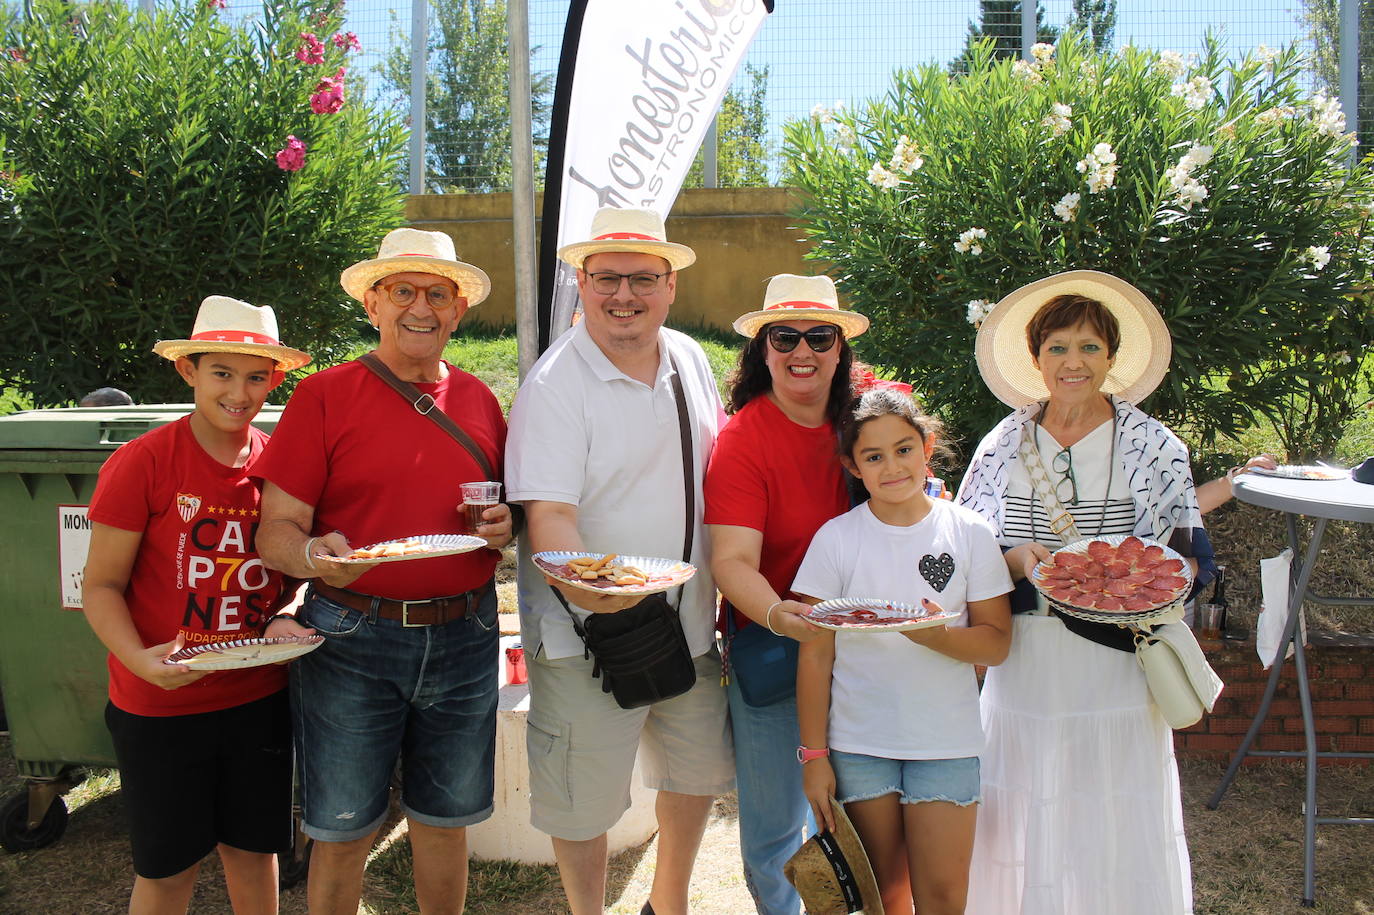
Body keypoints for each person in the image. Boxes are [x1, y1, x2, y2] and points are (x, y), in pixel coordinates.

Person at [253, 229, 514, 915]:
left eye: (437, 293)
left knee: (445, 818)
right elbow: (274, 531)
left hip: (464, 632)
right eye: (403, 290)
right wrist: (312, 554)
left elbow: (503, 513)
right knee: (342, 829)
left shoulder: (483, 403)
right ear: (373, 303)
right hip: (352, 637)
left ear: (459, 310)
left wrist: (502, 526)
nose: (420, 307)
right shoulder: (325, 397)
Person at [958, 270, 1216, 915]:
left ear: (1111, 357)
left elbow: (1187, 558)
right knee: (1023, 795)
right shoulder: (1000, 446)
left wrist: (1129, 584)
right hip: (1026, 660)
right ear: (1037, 358)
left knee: (1112, 802)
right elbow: (958, 550)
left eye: (1090, 348)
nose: (1074, 363)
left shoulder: (1154, 446)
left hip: (1118, 661)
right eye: (1058, 348)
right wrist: (1012, 560)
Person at [506, 207, 733, 915]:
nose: (624, 294)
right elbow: (550, 518)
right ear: (581, 282)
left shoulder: (692, 359)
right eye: (607, 277)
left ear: (670, 286)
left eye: (642, 278)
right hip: (585, 637)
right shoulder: (553, 385)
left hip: (689, 627)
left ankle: (669, 903)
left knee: (696, 773)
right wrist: (590, 590)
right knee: (582, 803)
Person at [82, 295, 311, 914]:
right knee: (168, 869)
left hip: (256, 699)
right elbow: (99, 586)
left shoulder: (280, 465)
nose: (240, 392)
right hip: (159, 705)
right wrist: (139, 660)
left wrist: (292, 612)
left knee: (255, 852)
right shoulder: (145, 462)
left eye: (257, 377)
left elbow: (301, 567)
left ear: (275, 379)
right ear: (189, 371)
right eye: (222, 373)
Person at [793, 388, 1013, 915]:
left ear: (927, 447)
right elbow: (815, 656)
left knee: (941, 897)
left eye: (903, 449)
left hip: (946, 744)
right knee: (882, 899)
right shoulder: (836, 539)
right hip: (858, 746)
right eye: (874, 456)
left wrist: (931, 634)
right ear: (853, 465)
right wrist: (815, 757)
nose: (892, 466)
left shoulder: (970, 532)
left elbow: (997, 643)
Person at [704, 273, 869, 915]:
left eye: (818, 336)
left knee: (860, 818)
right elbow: (733, 561)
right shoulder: (745, 440)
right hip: (779, 653)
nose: (803, 351)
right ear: (763, 349)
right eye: (785, 336)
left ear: (839, 348)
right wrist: (781, 615)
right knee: (775, 836)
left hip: (866, 653)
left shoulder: (870, 422)